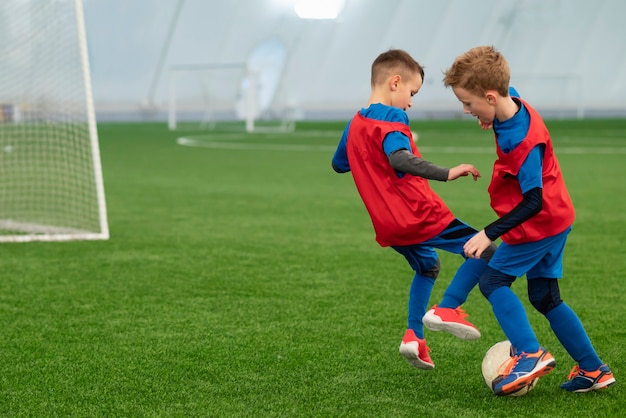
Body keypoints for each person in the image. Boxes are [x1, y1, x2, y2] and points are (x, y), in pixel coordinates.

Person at [443, 45, 616, 395]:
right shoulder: (510, 100)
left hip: (539, 223)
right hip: (557, 218)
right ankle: (594, 369)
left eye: (468, 104)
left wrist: (488, 233)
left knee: (492, 283)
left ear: (490, 97)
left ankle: (528, 352)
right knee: (544, 297)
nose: (466, 110)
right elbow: (494, 81)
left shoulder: (523, 141)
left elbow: (533, 201)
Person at [331, 49, 496, 370]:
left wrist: (366, 155)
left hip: (388, 226)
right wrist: (448, 172)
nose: (410, 102)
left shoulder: (356, 123)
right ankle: (447, 308)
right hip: (420, 213)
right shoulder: (392, 117)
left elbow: (339, 164)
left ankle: (414, 336)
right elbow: (399, 158)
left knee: (427, 267)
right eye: (412, 92)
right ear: (395, 82)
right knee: (486, 251)